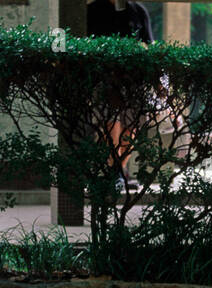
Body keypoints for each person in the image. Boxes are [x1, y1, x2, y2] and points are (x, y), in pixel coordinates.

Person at [87, 0, 156, 193]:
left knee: (132, 126)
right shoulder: (92, 10)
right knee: (111, 124)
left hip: (133, 79)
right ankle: (115, 173)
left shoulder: (138, 10)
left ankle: (117, 170)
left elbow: (150, 45)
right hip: (104, 77)